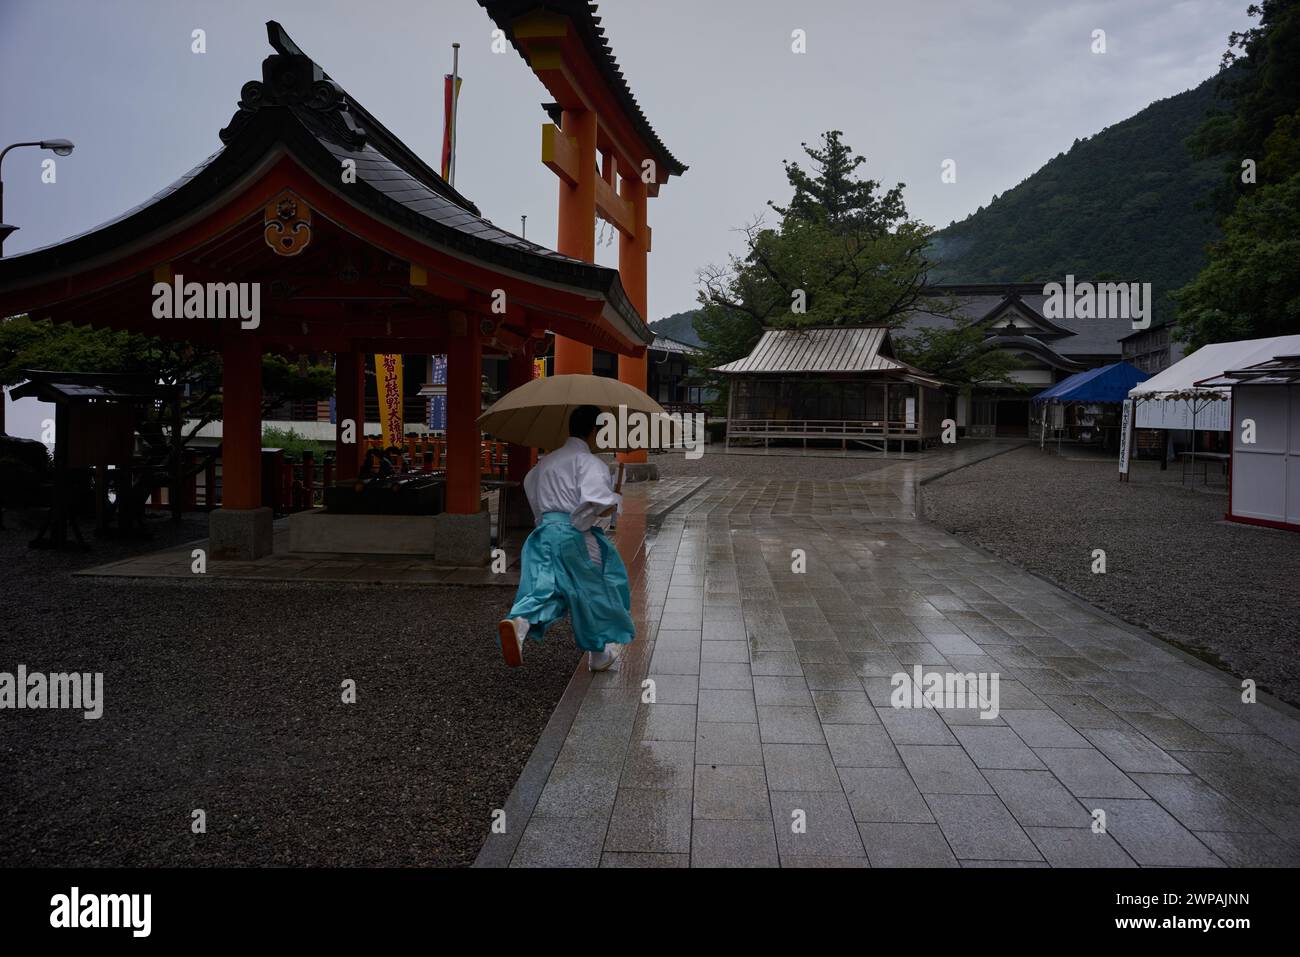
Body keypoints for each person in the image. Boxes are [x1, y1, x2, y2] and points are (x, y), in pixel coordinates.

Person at [497, 405, 634, 672]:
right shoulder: (589, 462)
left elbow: (534, 497)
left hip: (543, 534)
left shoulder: (545, 462)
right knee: (600, 587)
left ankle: (520, 624)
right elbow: (596, 506)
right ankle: (598, 652)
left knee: (551, 589)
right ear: (595, 430)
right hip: (574, 536)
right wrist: (614, 495)